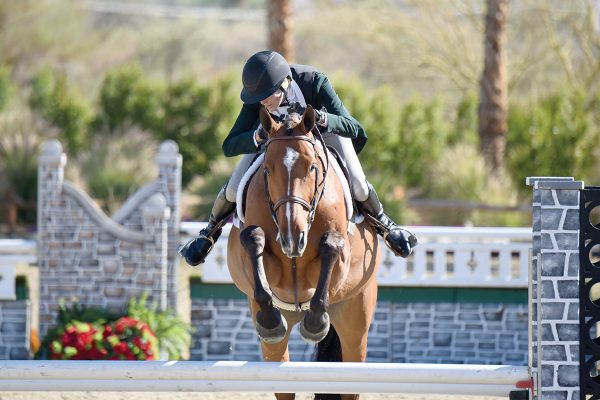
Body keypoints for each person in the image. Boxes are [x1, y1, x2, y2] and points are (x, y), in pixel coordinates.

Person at [180, 50, 417, 266]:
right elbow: (229, 145)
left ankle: (386, 226)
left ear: (285, 83)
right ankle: (209, 234)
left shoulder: (314, 81)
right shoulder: (257, 98)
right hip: (275, 145)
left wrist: (324, 119)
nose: (263, 102)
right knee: (233, 190)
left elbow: (353, 126)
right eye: (259, 98)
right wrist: (256, 136)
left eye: (267, 96)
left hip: (323, 137)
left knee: (359, 186)